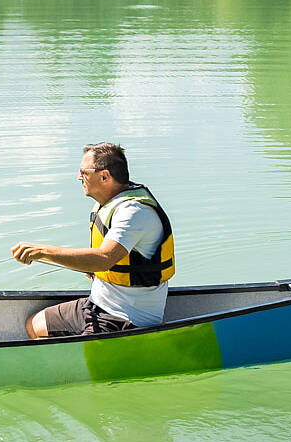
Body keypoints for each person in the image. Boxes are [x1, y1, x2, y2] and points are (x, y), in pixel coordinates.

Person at [10, 142, 173, 339]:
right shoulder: (108, 204)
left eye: (84, 172)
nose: (79, 178)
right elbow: (101, 262)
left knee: (78, 353)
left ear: (104, 176)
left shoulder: (134, 212)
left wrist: (43, 251)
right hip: (96, 305)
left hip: (124, 319)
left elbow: (104, 259)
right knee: (35, 324)